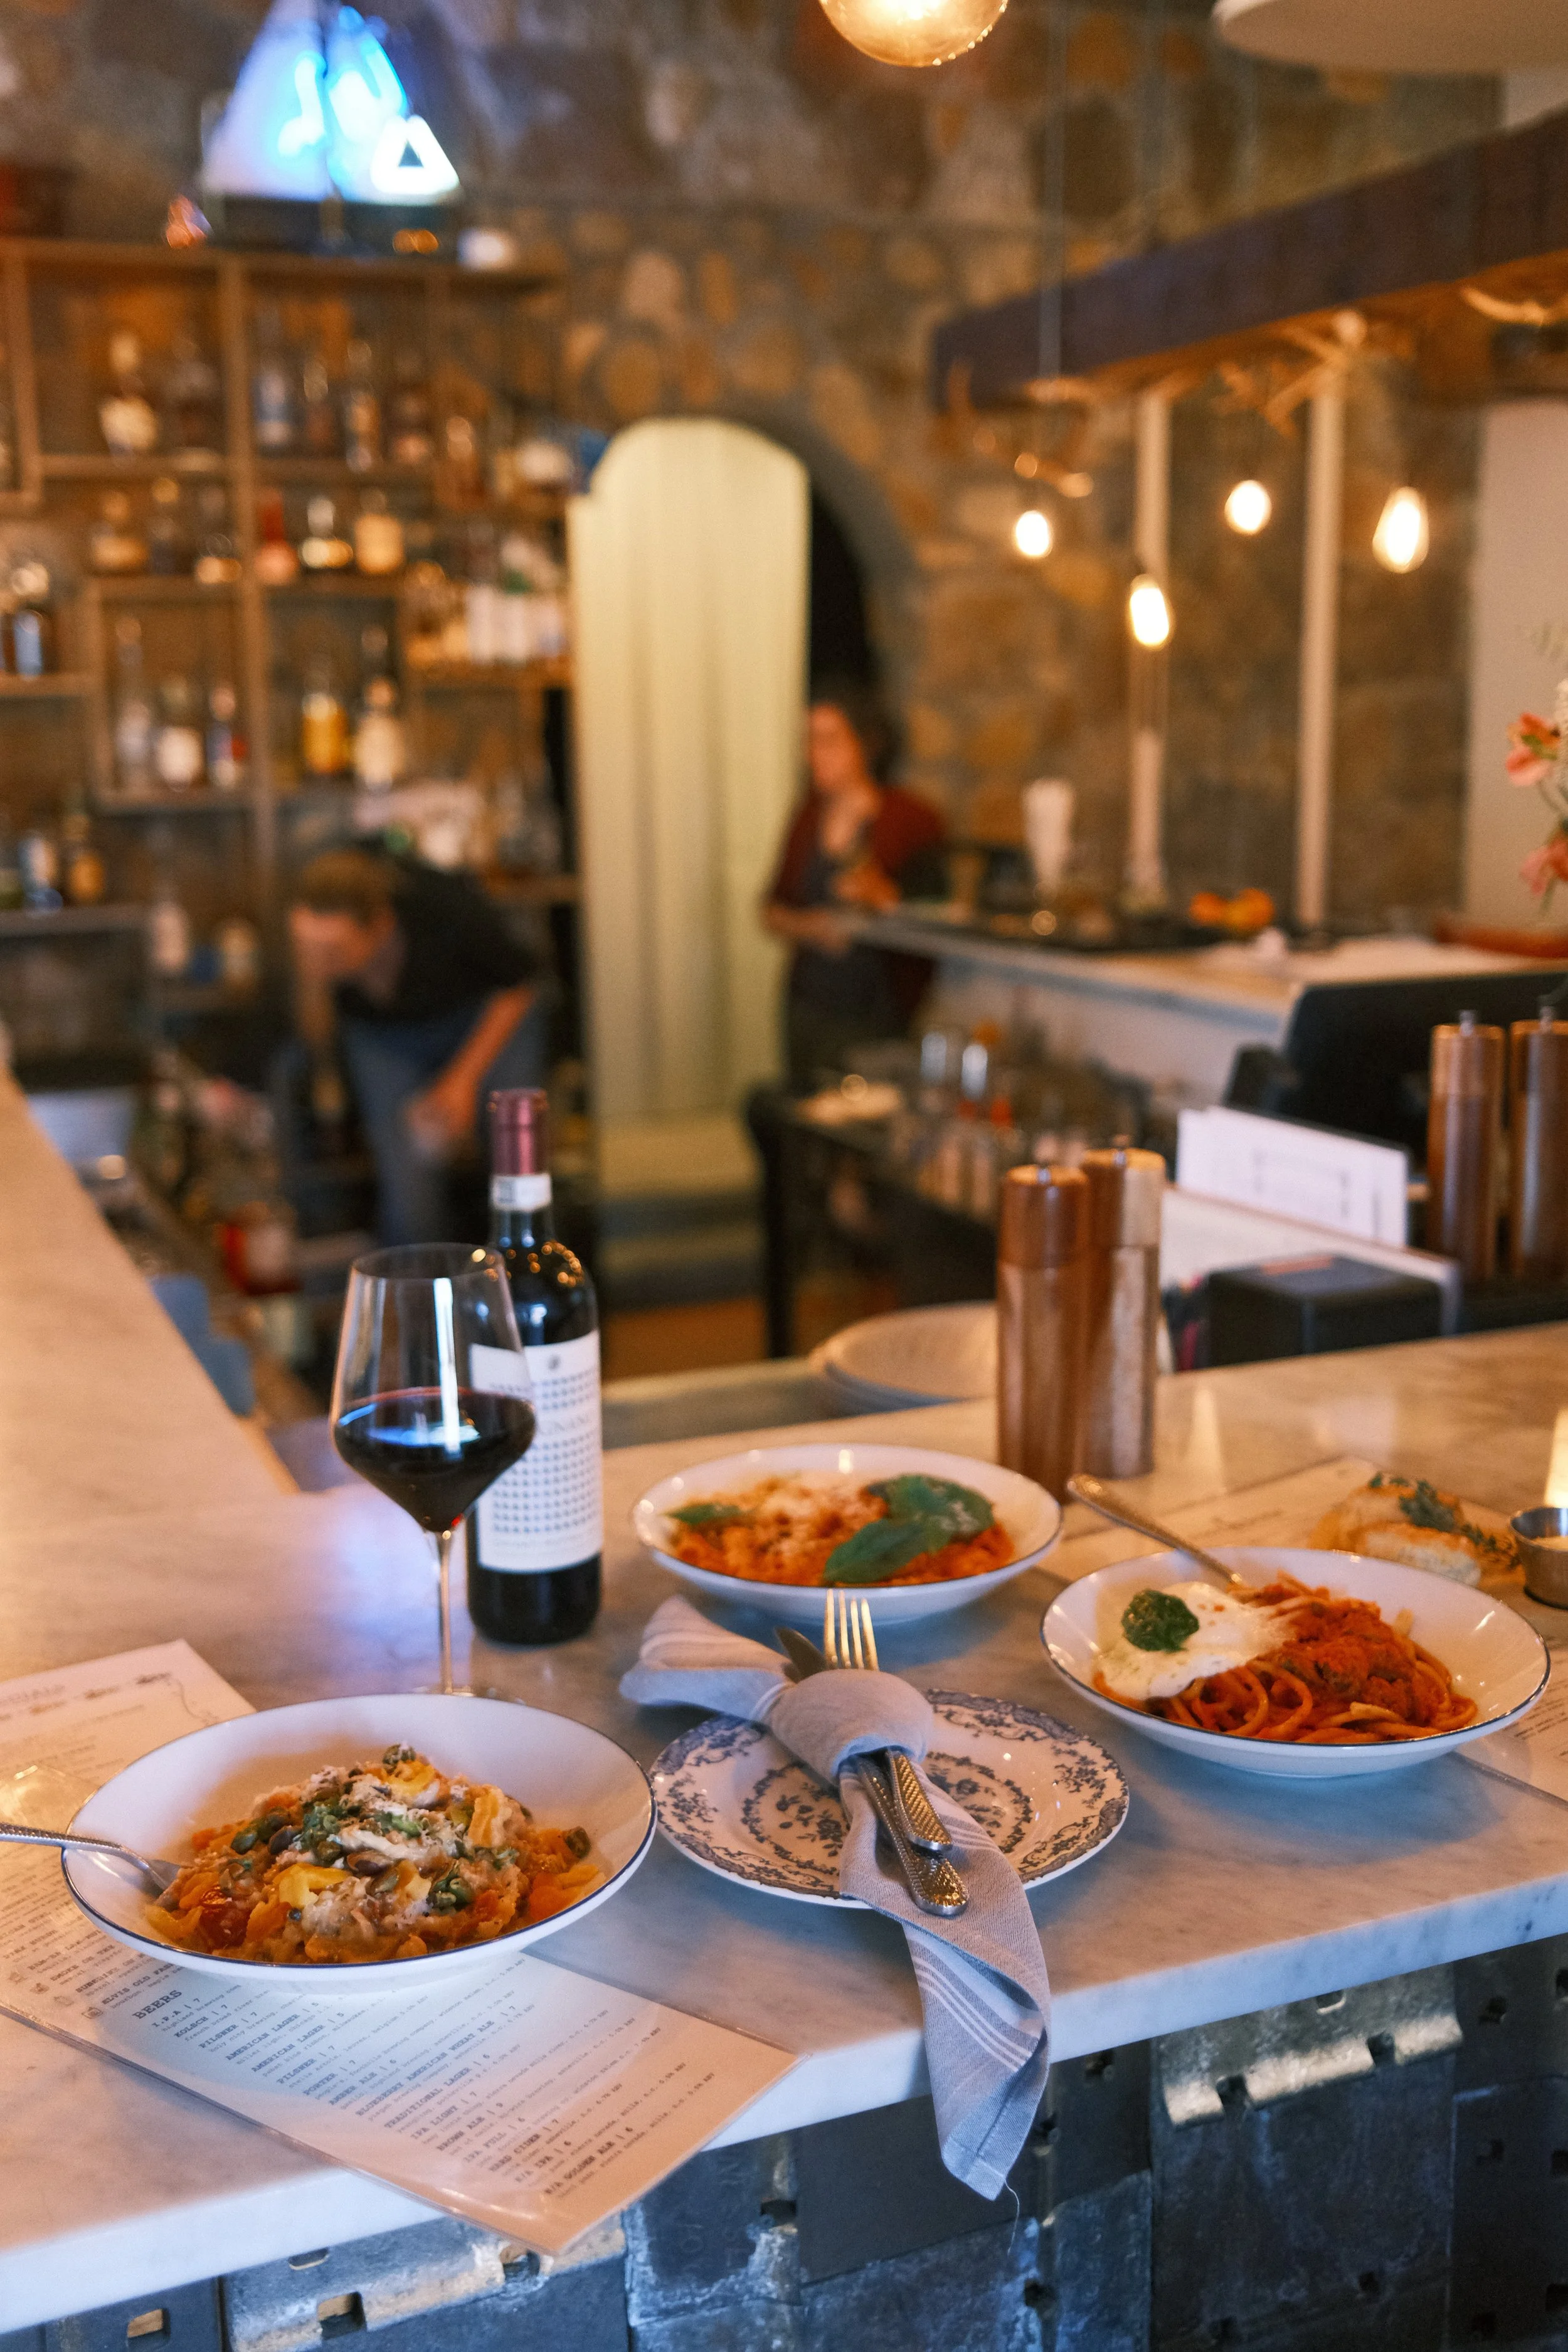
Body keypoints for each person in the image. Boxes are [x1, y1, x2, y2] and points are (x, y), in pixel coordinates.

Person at [289, 846, 546, 1244]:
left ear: (380, 927)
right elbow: (305, 1033)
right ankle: (418, 1297)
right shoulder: (313, 941)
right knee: (407, 1187)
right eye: (310, 950)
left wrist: (461, 1084)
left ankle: (528, 1283)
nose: (319, 964)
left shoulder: (440, 906)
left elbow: (518, 985)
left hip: (479, 1018)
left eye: (334, 952)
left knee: (516, 1165)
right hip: (383, 1038)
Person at [763, 682, 947, 1088]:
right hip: (809, 1001)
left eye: (829, 740)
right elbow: (771, 909)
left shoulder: (909, 820)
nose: (815, 754)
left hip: (874, 1008)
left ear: (864, 743)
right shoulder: (809, 817)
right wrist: (813, 928)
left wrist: (883, 898)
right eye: (810, 741)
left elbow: (938, 914)